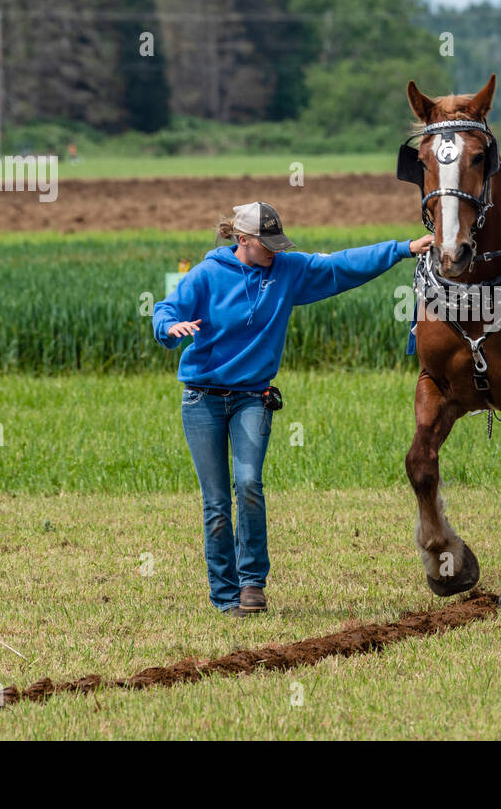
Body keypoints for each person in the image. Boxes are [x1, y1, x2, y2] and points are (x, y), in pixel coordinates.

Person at [153, 201, 432, 616]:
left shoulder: (287, 271)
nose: (274, 252)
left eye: (277, 244)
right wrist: (170, 329)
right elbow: (167, 310)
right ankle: (225, 596)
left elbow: (342, 266)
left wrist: (403, 248)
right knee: (215, 502)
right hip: (201, 398)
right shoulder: (209, 275)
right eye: (266, 245)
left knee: (247, 484)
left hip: (252, 397)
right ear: (242, 241)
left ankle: (251, 584)